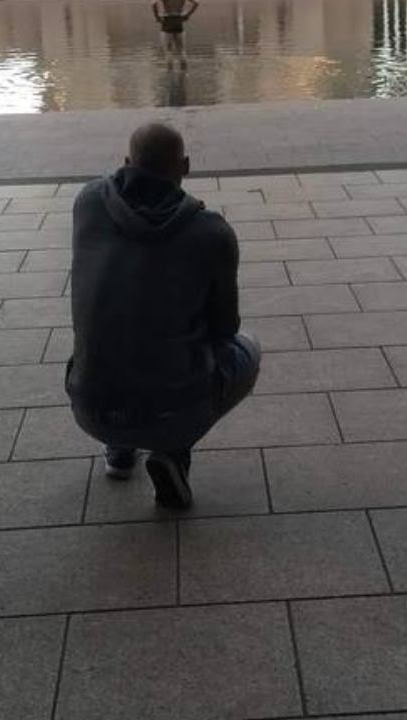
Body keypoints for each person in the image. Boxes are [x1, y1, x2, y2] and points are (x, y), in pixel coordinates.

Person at [67, 123, 260, 509]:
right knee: (246, 350)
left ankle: (119, 451)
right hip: (169, 408)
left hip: (89, 402)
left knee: (120, 323)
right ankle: (172, 454)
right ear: (185, 166)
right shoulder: (211, 232)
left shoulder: (87, 202)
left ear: (126, 161)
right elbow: (225, 328)